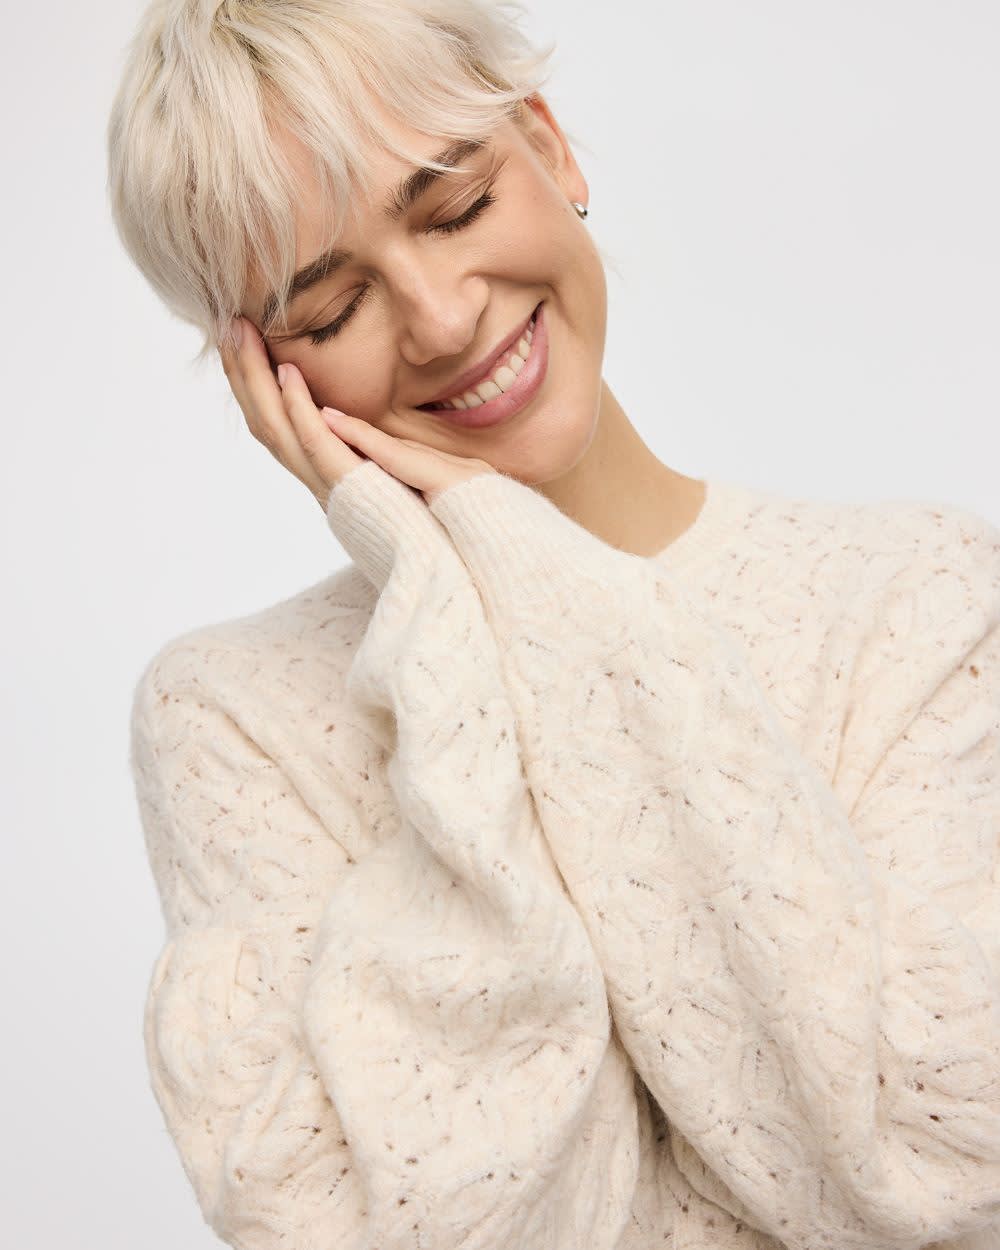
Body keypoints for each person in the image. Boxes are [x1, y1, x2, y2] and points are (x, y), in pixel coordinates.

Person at [108, 2, 1000, 1248]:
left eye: (455, 205)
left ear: (548, 144)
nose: (439, 319)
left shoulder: (920, 597)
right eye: (332, 308)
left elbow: (940, 1167)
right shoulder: (230, 718)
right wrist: (449, 598)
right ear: (262, 377)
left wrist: (527, 563)